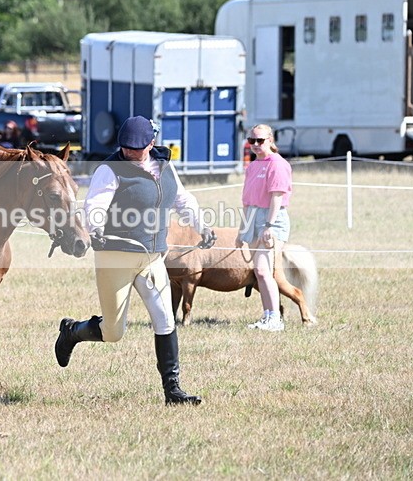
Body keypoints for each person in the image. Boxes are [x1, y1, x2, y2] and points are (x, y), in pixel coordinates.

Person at [54, 115, 215, 405]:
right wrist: (97, 229)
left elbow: (182, 200)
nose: (128, 152)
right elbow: (95, 205)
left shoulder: (165, 166)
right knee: (114, 332)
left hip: (152, 257)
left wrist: (202, 227)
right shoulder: (110, 169)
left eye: (135, 148)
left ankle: (173, 391)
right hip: (116, 256)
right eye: (125, 147)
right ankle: (72, 332)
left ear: (151, 144)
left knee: (165, 319)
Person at [236, 124, 293, 332]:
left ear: (270, 140)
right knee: (261, 273)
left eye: (260, 140)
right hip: (253, 216)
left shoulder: (277, 164)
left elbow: (277, 196)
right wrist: (243, 230)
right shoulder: (253, 166)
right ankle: (268, 315)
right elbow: (247, 201)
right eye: (252, 141)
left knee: (263, 269)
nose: (256, 145)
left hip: (271, 218)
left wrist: (269, 225)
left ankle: (275, 318)